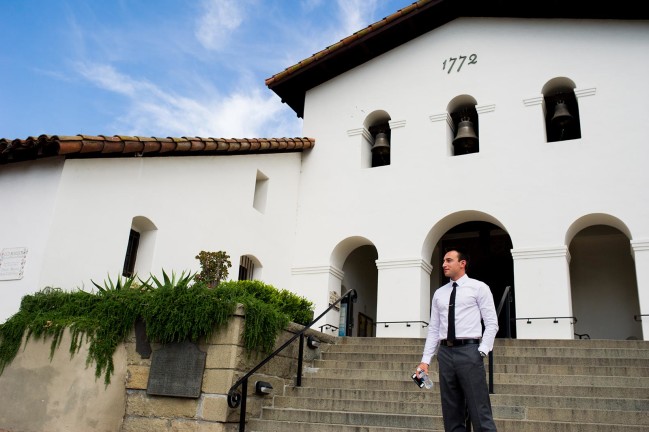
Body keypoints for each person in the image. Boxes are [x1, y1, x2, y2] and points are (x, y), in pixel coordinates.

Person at [417, 247, 499, 431]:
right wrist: (425, 361)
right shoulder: (439, 293)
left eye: (449, 260)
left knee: (479, 409)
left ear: (462, 264)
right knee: (451, 410)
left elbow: (492, 323)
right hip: (445, 353)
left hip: (469, 351)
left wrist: (482, 350)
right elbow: (434, 329)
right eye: (444, 261)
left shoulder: (479, 288)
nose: (444, 264)